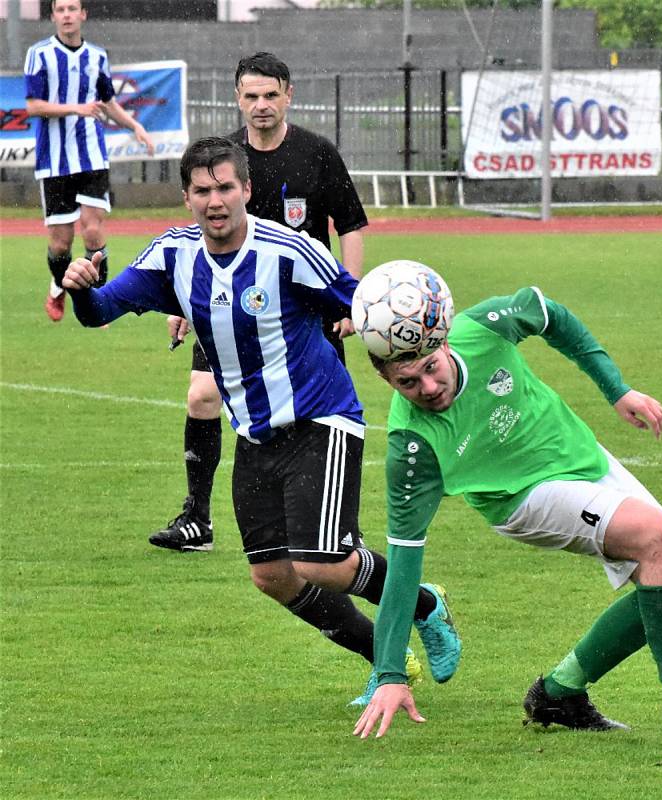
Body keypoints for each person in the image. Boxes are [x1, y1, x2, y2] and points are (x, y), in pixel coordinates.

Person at [61, 136, 460, 705]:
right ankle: (385, 657)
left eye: (225, 187)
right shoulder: (173, 256)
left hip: (322, 419)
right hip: (252, 433)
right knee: (273, 576)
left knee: (322, 562)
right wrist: (82, 288)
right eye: (203, 190)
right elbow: (100, 311)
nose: (215, 200)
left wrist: (420, 363)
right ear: (187, 197)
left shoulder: (289, 252)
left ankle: (423, 605)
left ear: (247, 189)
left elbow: (363, 309)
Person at [352, 276, 662, 747]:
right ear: (384, 378)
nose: (428, 387)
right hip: (523, 498)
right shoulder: (412, 447)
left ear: (445, 343)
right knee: (659, 538)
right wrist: (388, 673)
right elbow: (404, 559)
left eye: (431, 368)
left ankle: (559, 692)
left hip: (582, 457)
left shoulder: (484, 326)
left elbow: (552, 316)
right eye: (407, 382)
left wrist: (617, 389)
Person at [149, 52, 367, 554]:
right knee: (201, 397)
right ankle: (196, 520)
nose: (261, 105)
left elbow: (350, 224)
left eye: (271, 94)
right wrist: (181, 301)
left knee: (324, 418)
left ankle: (337, 527)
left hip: (304, 314)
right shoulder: (221, 156)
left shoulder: (316, 152)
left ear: (288, 95)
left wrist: (349, 299)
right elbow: (196, 236)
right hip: (229, 307)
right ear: (237, 99)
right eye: (251, 95)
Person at [24, 0, 155, 323]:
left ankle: (102, 300)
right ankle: (58, 283)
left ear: (83, 14)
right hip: (55, 160)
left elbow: (107, 102)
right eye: (61, 9)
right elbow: (33, 106)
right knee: (60, 244)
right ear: (53, 16)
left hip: (93, 156)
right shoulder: (39, 54)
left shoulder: (97, 56)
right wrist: (76, 108)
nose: (67, 15)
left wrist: (135, 125)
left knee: (93, 231)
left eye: (73, 8)